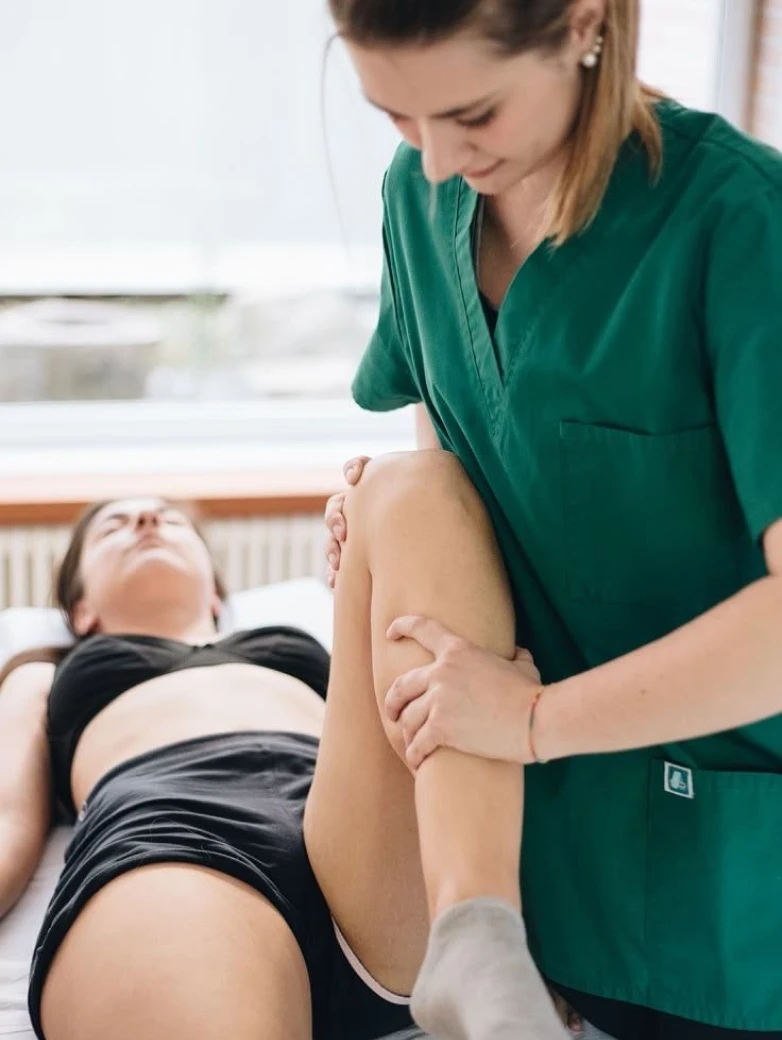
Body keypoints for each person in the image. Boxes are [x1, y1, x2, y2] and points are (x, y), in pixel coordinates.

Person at [323, 0, 782, 1038]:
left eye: (470, 114)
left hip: (724, 898)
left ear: (583, 23)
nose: (436, 161)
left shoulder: (740, 223)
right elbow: (462, 456)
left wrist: (531, 723)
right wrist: (386, 540)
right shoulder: (419, 200)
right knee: (401, 491)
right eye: (396, 117)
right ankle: (474, 935)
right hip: (514, 853)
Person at [0, 482, 566, 1040]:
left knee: (404, 486)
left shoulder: (290, 639)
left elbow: (417, 724)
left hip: (352, 829)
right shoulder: (43, 671)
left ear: (218, 596)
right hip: (177, 832)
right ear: (81, 609)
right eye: (114, 526)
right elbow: (8, 818)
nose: (147, 524)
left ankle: (484, 929)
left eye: (168, 520)